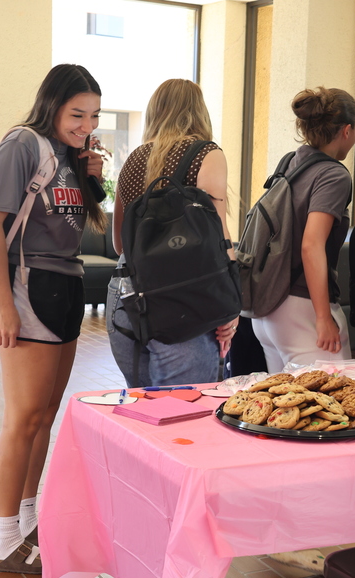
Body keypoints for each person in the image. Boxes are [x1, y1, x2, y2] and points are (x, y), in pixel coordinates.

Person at [0, 64, 107, 573]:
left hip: (66, 287)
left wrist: (92, 180)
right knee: (22, 418)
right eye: (77, 113)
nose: (86, 124)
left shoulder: (70, 157)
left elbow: (81, 223)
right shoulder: (22, 145)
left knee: (45, 417)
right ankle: (2, 539)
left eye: (93, 115)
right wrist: (4, 304)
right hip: (28, 286)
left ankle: (28, 520)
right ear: (52, 105)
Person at [106, 79, 237, 388]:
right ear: (199, 111)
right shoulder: (207, 154)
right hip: (183, 302)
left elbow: (119, 243)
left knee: (144, 418)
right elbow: (220, 240)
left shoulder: (134, 160)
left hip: (125, 300)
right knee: (182, 420)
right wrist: (231, 307)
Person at [251, 87, 355, 373]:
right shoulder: (334, 175)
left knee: (285, 410)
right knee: (332, 408)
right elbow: (311, 245)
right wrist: (323, 317)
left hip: (268, 310)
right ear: (347, 130)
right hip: (302, 311)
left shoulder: (291, 162)